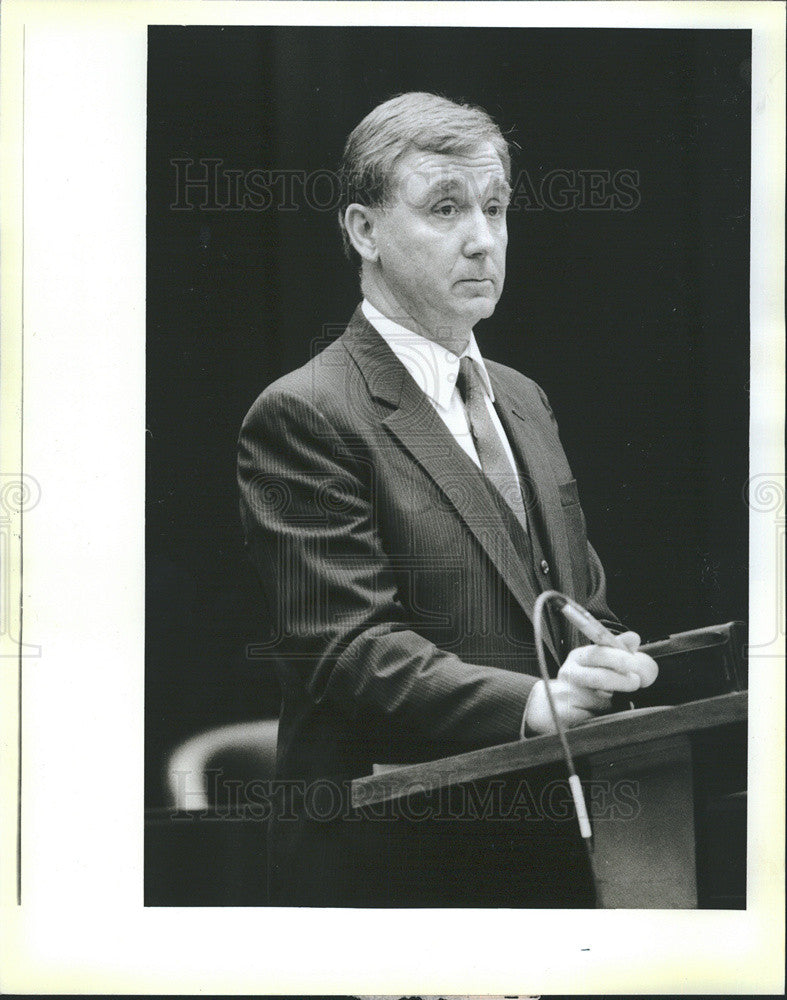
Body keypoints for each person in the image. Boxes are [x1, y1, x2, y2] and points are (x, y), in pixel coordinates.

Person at [237, 92, 658, 906]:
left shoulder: (523, 399)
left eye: (495, 208)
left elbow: (576, 605)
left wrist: (610, 657)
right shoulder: (306, 412)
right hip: (393, 868)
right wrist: (536, 701)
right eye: (445, 208)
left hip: (546, 850)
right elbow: (346, 651)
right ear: (364, 232)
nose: (482, 239)